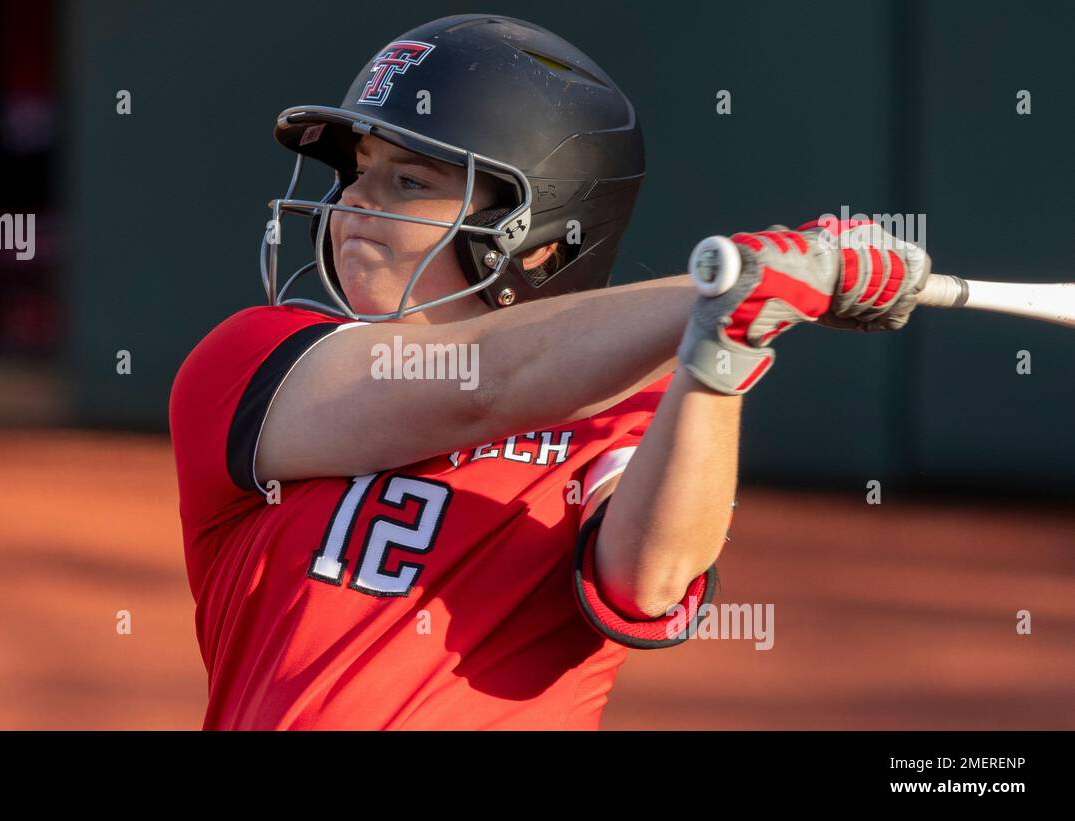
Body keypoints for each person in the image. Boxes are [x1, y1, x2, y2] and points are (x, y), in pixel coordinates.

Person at [169, 14, 930, 730]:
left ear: (539, 244)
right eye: (358, 172)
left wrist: (722, 345)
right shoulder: (251, 357)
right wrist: (726, 281)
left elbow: (651, 580)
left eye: (407, 182)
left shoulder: (629, 395)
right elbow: (482, 383)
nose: (352, 202)